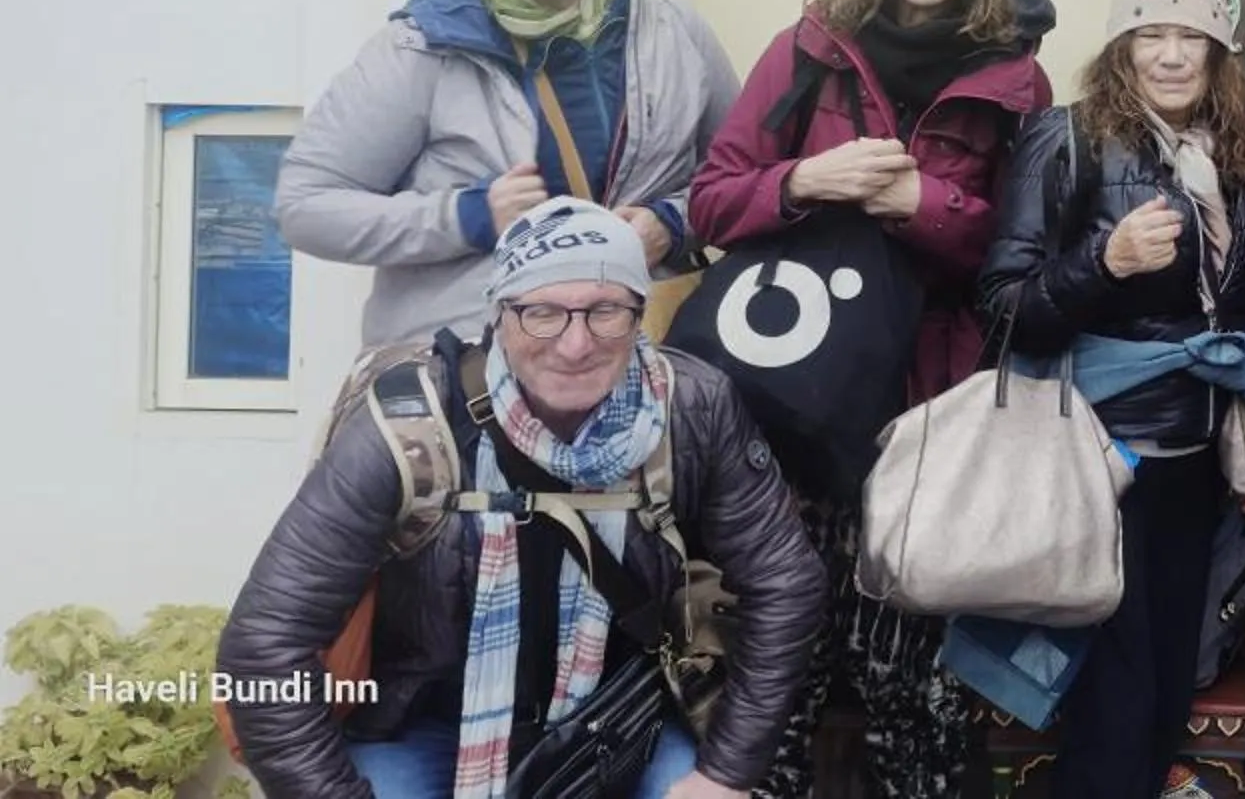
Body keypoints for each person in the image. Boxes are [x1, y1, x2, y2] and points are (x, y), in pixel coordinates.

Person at [218, 197, 826, 799]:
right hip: (423, 719)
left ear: (640, 313)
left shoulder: (690, 407)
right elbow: (267, 643)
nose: (575, 343)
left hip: (617, 714)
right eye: (542, 312)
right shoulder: (410, 425)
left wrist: (726, 773)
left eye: (606, 310)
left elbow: (786, 582)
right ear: (499, 315)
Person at [683, 0, 1057, 797]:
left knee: (910, 678)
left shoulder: (1016, 82)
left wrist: (921, 205)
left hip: (926, 409)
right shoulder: (805, 51)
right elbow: (711, 203)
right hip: (793, 397)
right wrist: (803, 180)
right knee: (780, 658)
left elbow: (1022, 256)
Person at [977, 0, 1245, 799]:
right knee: (1114, 701)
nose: (1168, 54)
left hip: (1192, 464)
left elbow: (1228, 318)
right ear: (1120, 46)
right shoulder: (1069, 139)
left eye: (1189, 36)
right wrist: (1103, 262)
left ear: (1216, 51)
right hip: (1096, 461)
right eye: (1148, 34)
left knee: (1165, 689)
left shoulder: (1226, 156)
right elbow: (1003, 307)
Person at [277, 0, 739, 347]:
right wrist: (469, 216)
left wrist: (671, 224)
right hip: (471, 365)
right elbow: (306, 206)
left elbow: (742, 181)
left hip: (636, 352)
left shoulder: (676, 36)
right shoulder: (420, 48)